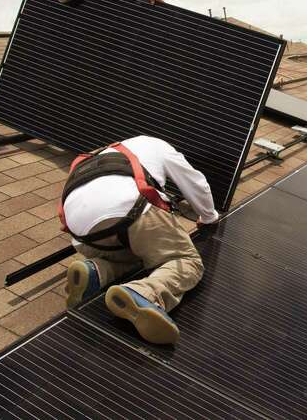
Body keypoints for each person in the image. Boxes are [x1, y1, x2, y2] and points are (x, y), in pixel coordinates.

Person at [60, 135, 219, 345]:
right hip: (129, 207)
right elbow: (196, 183)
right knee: (188, 262)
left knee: (139, 253)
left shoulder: (104, 152)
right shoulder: (160, 145)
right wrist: (209, 217)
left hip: (81, 232)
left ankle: (95, 271)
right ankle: (145, 293)